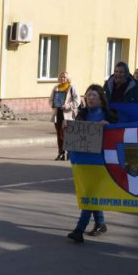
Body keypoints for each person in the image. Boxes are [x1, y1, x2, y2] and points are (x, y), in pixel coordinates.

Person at [65, 85, 117, 242]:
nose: (90, 98)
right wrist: (68, 128)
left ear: (101, 98)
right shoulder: (83, 113)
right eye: (88, 95)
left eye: (93, 95)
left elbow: (119, 133)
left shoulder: (109, 115)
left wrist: (109, 126)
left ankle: (79, 229)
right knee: (91, 194)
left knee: (89, 194)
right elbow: (76, 135)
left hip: (101, 162)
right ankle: (100, 223)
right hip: (84, 161)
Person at [49, 71, 80, 161]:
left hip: (68, 115)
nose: (62, 79)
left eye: (64, 77)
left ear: (68, 78)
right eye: (61, 77)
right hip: (58, 114)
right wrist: (53, 104)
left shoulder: (71, 87)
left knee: (67, 134)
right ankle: (61, 153)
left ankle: (70, 153)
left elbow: (77, 101)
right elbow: (51, 100)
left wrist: (68, 105)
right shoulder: (56, 88)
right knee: (59, 134)